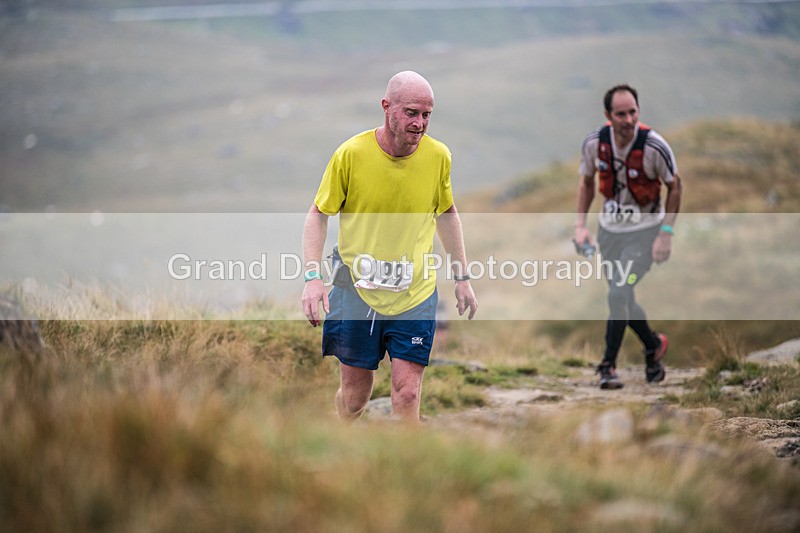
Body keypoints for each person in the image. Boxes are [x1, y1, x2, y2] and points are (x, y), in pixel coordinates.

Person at [301, 71, 478, 421]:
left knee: (407, 392)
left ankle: (408, 469)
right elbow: (317, 215)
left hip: (415, 292)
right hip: (356, 290)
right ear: (387, 107)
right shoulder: (351, 154)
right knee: (354, 398)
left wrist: (462, 276)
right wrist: (312, 276)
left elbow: (446, 214)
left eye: (427, 114)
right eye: (411, 112)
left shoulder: (439, 156)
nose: (420, 123)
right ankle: (343, 435)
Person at [574, 84, 682, 390]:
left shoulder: (654, 146)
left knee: (620, 293)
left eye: (633, 111)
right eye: (621, 113)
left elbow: (675, 186)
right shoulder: (595, 143)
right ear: (608, 115)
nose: (629, 119)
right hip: (610, 233)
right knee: (622, 296)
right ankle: (653, 346)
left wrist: (666, 234)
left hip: (645, 235)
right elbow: (586, 183)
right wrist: (580, 226)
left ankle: (607, 366)